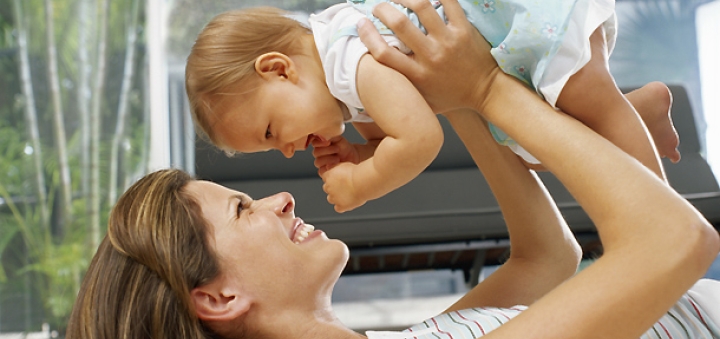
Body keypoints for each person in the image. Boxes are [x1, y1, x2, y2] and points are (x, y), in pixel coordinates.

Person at [64, 0, 720, 339]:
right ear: (217, 296)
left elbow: (544, 259)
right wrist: (488, 89)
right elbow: (676, 242)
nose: (282, 200)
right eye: (243, 209)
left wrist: (441, 83)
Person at [185, 0, 680, 212]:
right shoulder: (342, 87)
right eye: (274, 149)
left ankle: (660, 216)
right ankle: (642, 112)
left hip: (520, 19)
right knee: (538, 151)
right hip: (500, 54)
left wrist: (363, 183)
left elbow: (420, 138)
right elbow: (390, 130)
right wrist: (362, 153)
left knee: (585, 91)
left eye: (272, 131)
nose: (289, 150)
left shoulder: (348, 59)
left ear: (278, 69)